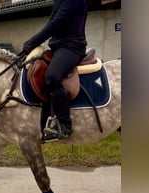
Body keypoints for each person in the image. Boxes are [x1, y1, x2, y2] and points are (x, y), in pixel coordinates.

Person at [20, 0, 88, 141]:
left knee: (51, 77)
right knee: (36, 70)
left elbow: (55, 24)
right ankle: (43, 122)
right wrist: (31, 45)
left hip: (72, 46)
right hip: (57, 47)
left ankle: (64, 125)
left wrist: (32, 42)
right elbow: (51, 22)